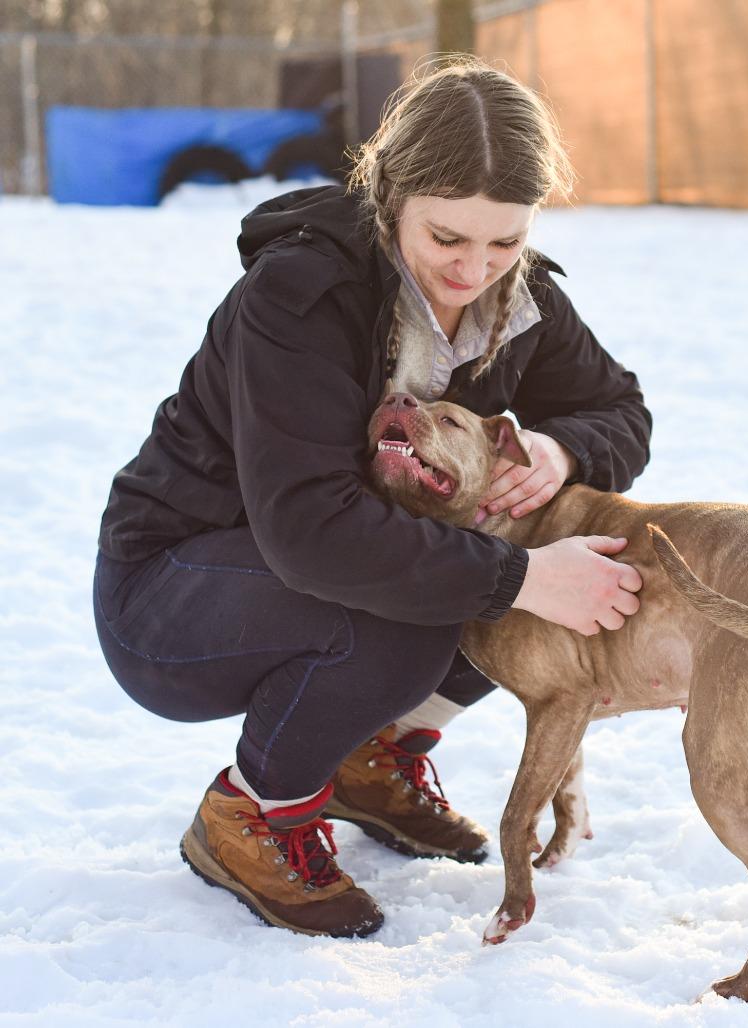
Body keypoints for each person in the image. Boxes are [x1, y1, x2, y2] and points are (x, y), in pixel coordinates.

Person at [93, 56, 652, 938]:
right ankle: (249, 812)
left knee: (475, 579)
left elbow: (618, 408)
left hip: (306, 571)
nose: (475, 270)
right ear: (391, 200)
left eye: (505, 241)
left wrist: (560, 446)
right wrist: (522, 577)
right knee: (418, 604)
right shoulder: (300, 296)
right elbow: (312, 532)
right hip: (172, 592)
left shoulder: (518, 297)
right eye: (447, 240)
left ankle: (369, 757)